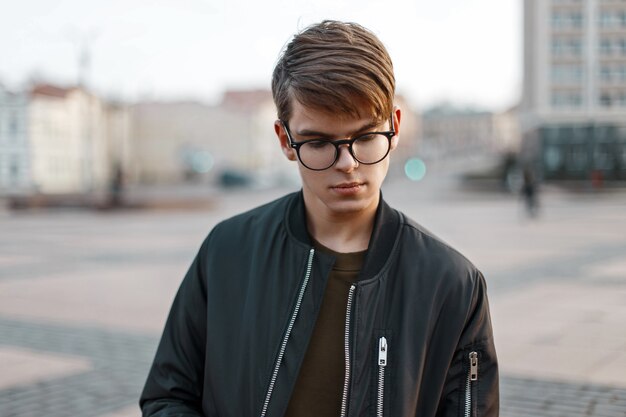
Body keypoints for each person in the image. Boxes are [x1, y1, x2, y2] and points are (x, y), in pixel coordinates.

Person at [140, 20, 499, 417]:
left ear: (394, 128)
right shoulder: (227, 251)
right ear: (285, 140)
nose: (347, 164)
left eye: (365, 137)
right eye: (319, 143)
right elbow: (168, 397)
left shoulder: (451, 282)